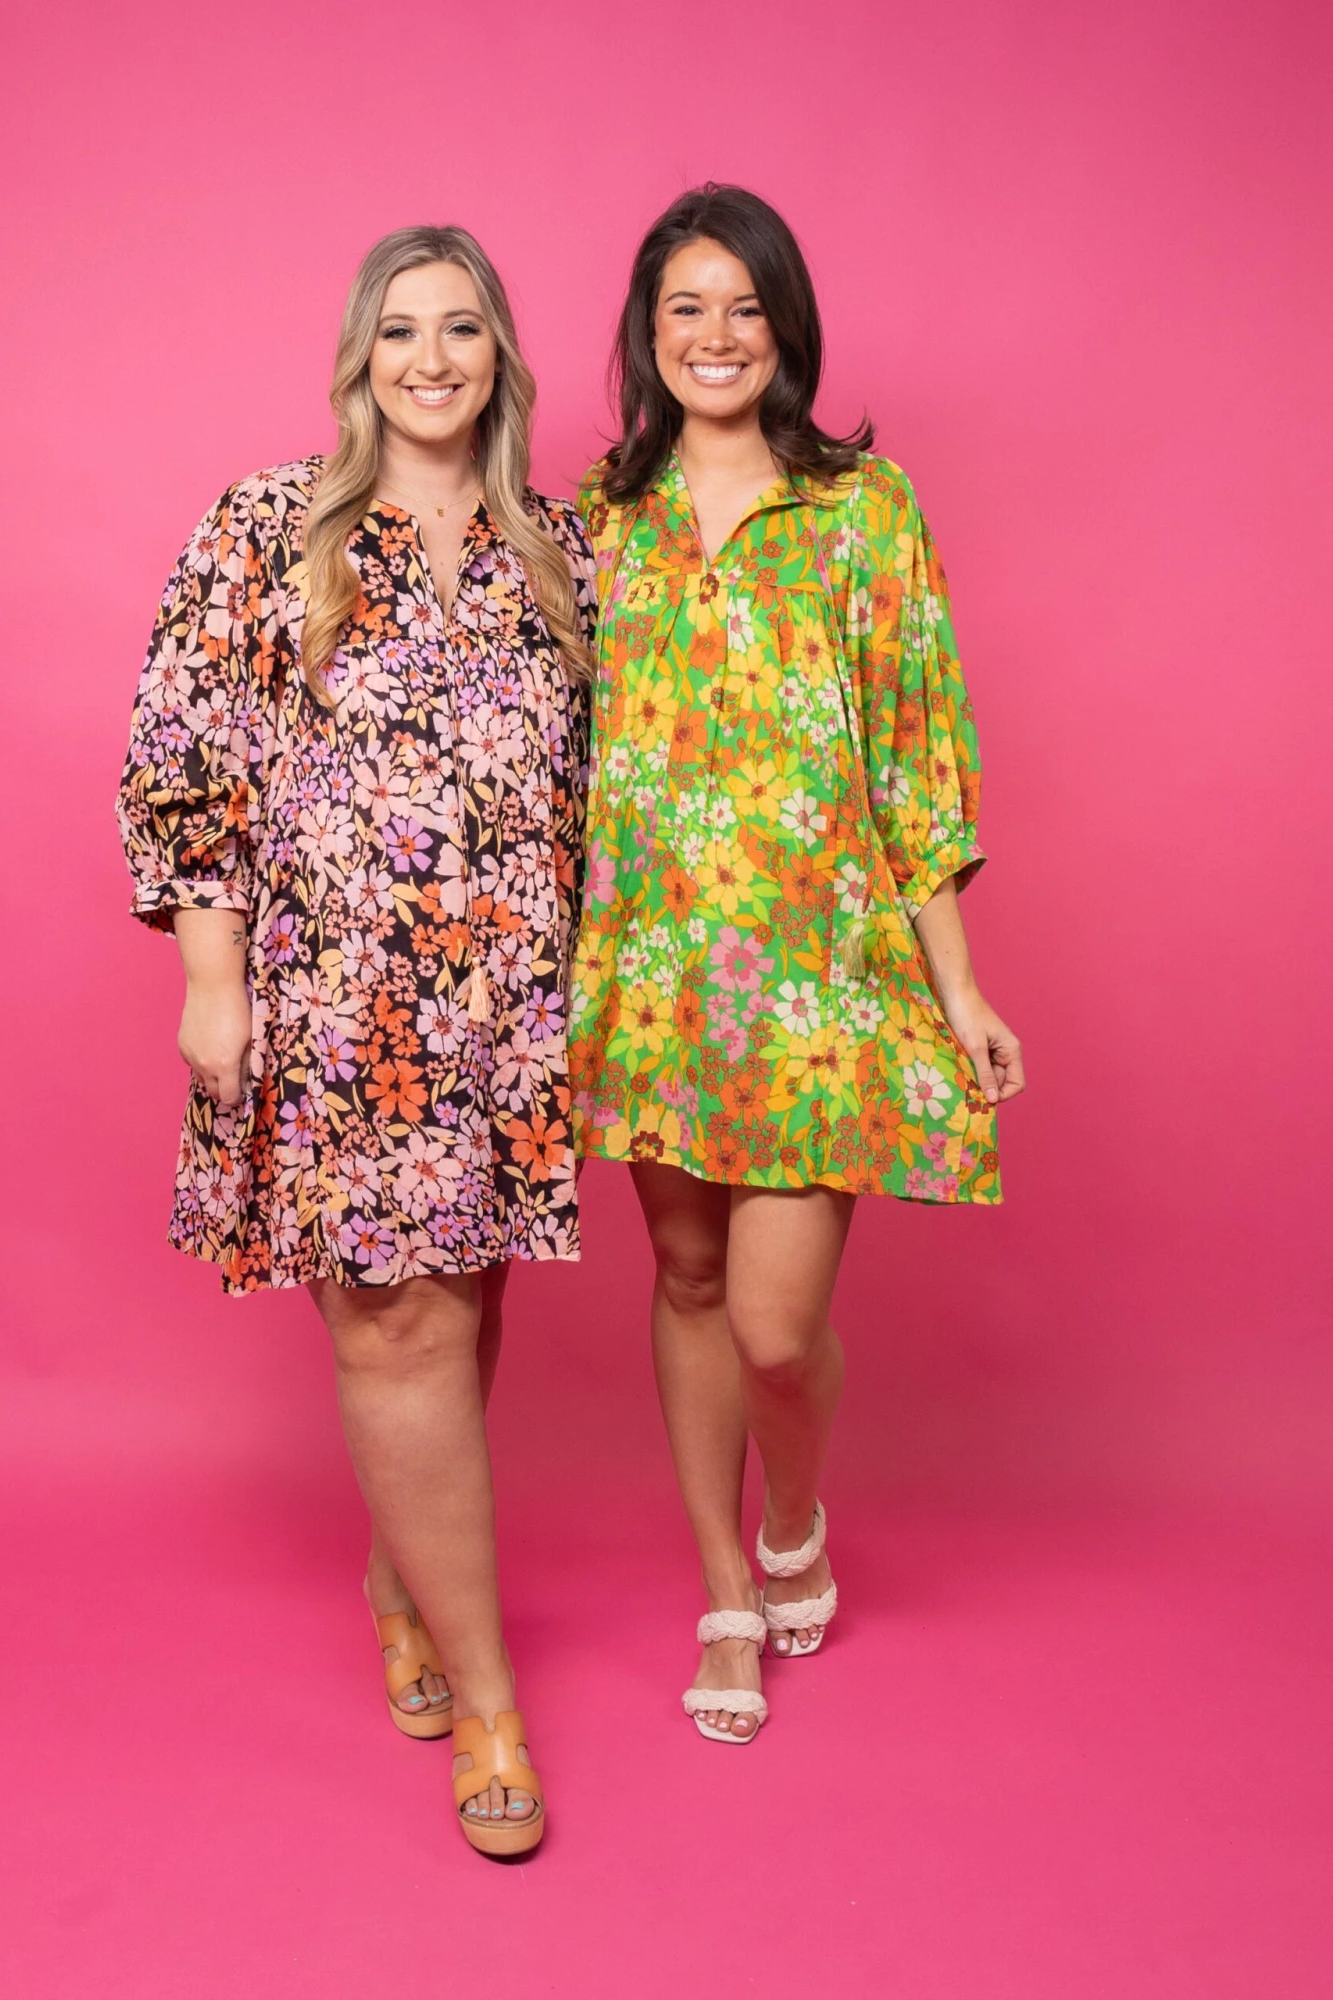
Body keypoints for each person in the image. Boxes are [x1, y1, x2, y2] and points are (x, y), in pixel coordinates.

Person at [118, 225, 594, 1852]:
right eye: (401, 331)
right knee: (393, 1328)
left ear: (501, 355)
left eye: (461, 329)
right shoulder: (268, 529)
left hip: (510, 1012)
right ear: (359, 357)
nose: (431, 360)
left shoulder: (562, 552)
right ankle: (492, 1706)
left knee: (461, 1314)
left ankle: (403, 1585)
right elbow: (188, 755)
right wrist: (212, 980)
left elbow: (613, 785)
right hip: (340, 1007)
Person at [569, 184, 1024, 1743]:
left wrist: (959, 986)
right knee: (687, 1279)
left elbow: (915, 762)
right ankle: (724, 1594)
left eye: (745, 307)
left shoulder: (862, 508)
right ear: (647, 332)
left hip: (817, 986)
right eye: (685, 308)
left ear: (788, 328)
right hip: (651, 980)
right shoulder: (599, 518)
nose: (716, 336)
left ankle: (795, 1517)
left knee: (773, 1325)